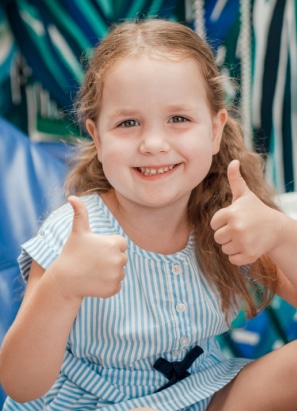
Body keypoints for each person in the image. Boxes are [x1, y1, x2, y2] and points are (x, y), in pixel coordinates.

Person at [1, 18, 297, 411]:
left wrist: (280, 233)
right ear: (98, 138)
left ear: (213, 129)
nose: (154, 143)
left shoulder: (229, 219)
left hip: (198, 394)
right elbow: (21, 386)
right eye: (128, 123)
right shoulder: (76, 236)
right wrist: (62, 287)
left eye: (178, 119)